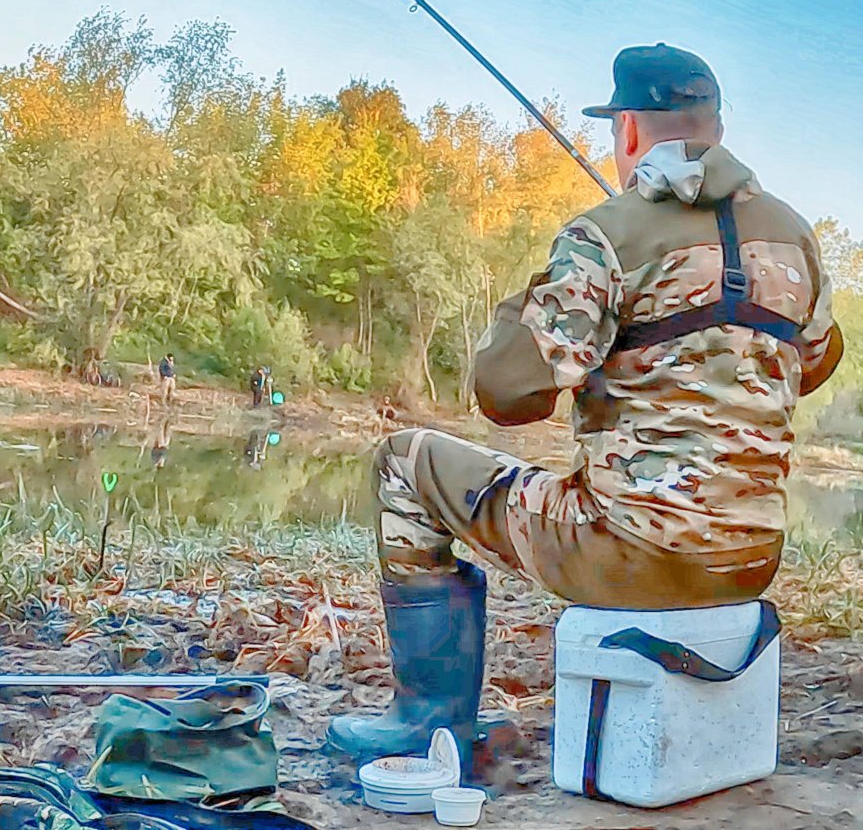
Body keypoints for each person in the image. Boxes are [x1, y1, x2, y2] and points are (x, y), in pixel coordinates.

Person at [327, 43, 845, 766]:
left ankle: (427, 721)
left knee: (403, 462)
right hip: (749, 560)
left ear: (627, 131)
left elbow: (505, 394)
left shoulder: (606, 234)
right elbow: (816, 362)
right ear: (716, 130)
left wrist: (546, 287)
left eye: (615, 131)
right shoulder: (796, 239)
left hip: (624, 552)